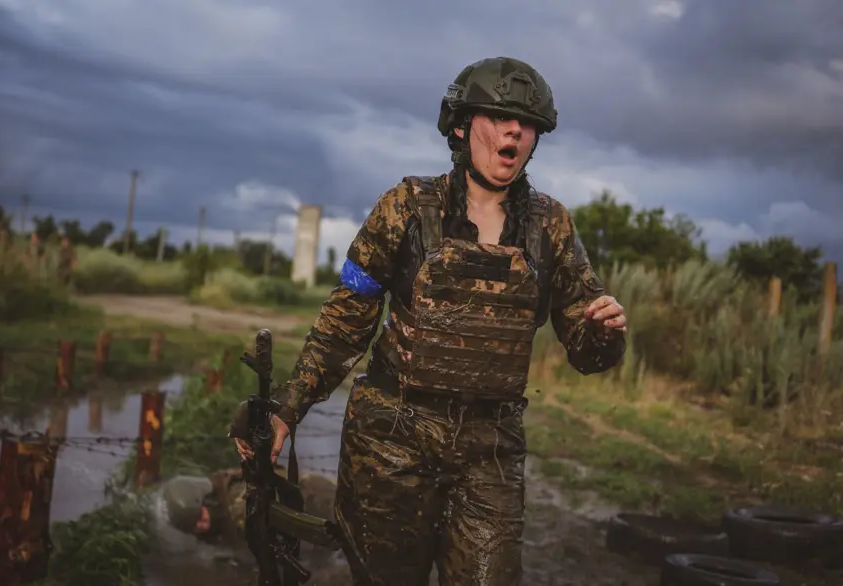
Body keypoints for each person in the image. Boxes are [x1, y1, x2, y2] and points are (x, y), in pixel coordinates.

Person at [233, 56, 628, 586]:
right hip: (391, 440)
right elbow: (346, 321)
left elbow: (586, 349)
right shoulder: (404, 210)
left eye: (528, 123)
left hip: (490, 448)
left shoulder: (550, 226)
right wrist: (287, 408)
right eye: (499, 116)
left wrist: (603, 333)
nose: (515, 130)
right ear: (462, 125)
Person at [163, 466, 336, 548]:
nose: (202, 525)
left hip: (321, 506)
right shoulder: (222, 494)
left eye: (201, 517)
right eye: (195, 527)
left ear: (206, 501)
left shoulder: (240, 503)